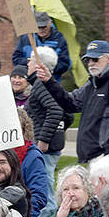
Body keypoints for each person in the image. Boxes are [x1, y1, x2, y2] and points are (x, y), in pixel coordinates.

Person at [43, 40, 109, 164]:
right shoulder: (92, 84)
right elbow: (70, 103)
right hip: (93, 157)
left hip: (107, 158)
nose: (91, 64)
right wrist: (49, 81)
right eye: (88, 60)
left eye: (95, 59)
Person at [25, 47, 72, 181]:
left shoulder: (41, 85)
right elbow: (68, 114)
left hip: (45, 149)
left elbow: (57, 111)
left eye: (30, 60)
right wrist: (58, 132)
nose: (27, 64)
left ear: (38, 65)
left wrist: (44, 140)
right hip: (50, 147)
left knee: (45, 190)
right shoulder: (47, 84)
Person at [13, 11, 71, 79]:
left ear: (50, 23)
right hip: (28, 80)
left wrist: (48, 67)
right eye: (38, 27)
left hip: (51, 82)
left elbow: (65, 64)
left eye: (43, 27)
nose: (41, 30)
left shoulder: (60, 40)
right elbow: (16, 59)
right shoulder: (26, 38)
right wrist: (30, 62)